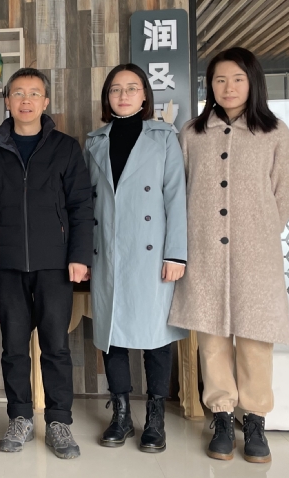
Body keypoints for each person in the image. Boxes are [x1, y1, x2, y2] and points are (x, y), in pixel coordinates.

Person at [168, 47, 289, 464]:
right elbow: (179, 188)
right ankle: (222, 416)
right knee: (212, 338)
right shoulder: (193, 133)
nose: (228, 87)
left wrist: (261, 232)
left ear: (252, 82)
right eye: (220, 80)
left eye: (238, 79)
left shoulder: (274, 132)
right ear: (210, 85)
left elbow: (286, 191)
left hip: (257, 255)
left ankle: (255, 419)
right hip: (205, 251)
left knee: (257, 338)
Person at [0, 67, 93, 459]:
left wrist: (79, 256)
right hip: (5, 262)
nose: (26, 100)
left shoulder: (65, 147)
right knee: (14, 347)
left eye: (34, 93)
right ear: (7, 100)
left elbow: (81, 206)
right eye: (18, 93)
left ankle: (58, 421)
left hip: (55, 263)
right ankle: (20, 417)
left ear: (45, 101)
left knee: (56, 345)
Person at [84, 64, 187, 453]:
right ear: (107, 97)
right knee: (112, 335)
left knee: (156, 335)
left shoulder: (164, 137)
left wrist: (176, 253)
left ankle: (156, 416)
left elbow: (176, 197)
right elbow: (86, 203)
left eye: (132, 88)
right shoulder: (95, 141)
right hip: (108, 250)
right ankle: (122, 413)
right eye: (115, 89)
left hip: (151, 251)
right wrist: (83, 254)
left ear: (145, 95)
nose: (123, 95)